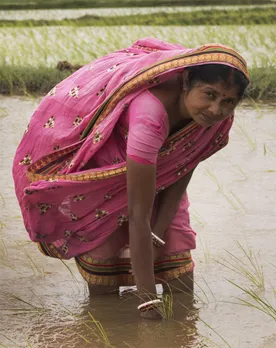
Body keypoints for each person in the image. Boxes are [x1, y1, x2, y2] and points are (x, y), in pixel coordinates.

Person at [12, 37, 249, 320]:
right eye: (209, 95)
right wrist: (147, 302)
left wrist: (158, 234)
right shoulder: (149, 117)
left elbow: (183, 165)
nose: (216, 109)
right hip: (106, 179)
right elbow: (139, 215)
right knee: (105, 271)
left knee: (179, 274)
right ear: (187, 81)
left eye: (228, 101)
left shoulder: (216, 119)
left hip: (158, 174)